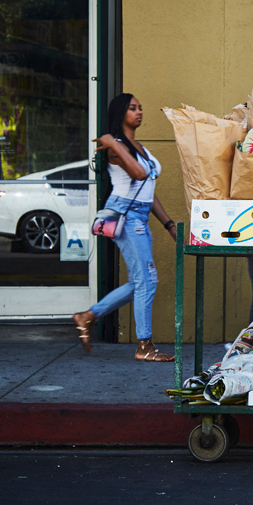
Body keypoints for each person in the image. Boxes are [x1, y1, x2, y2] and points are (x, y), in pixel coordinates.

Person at [73, 93, 180, 362]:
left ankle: (88, 316)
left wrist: (169, 225)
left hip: (139, 215)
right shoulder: (114, 148)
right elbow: (139, 174)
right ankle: (144, 346)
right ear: (121, 113)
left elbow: (147, 191)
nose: (139, 112)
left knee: (140, 281)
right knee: (148, 280)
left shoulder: (138, 147)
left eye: (140, 107)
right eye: (133, 108)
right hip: (126, 215)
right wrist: (112, 141)